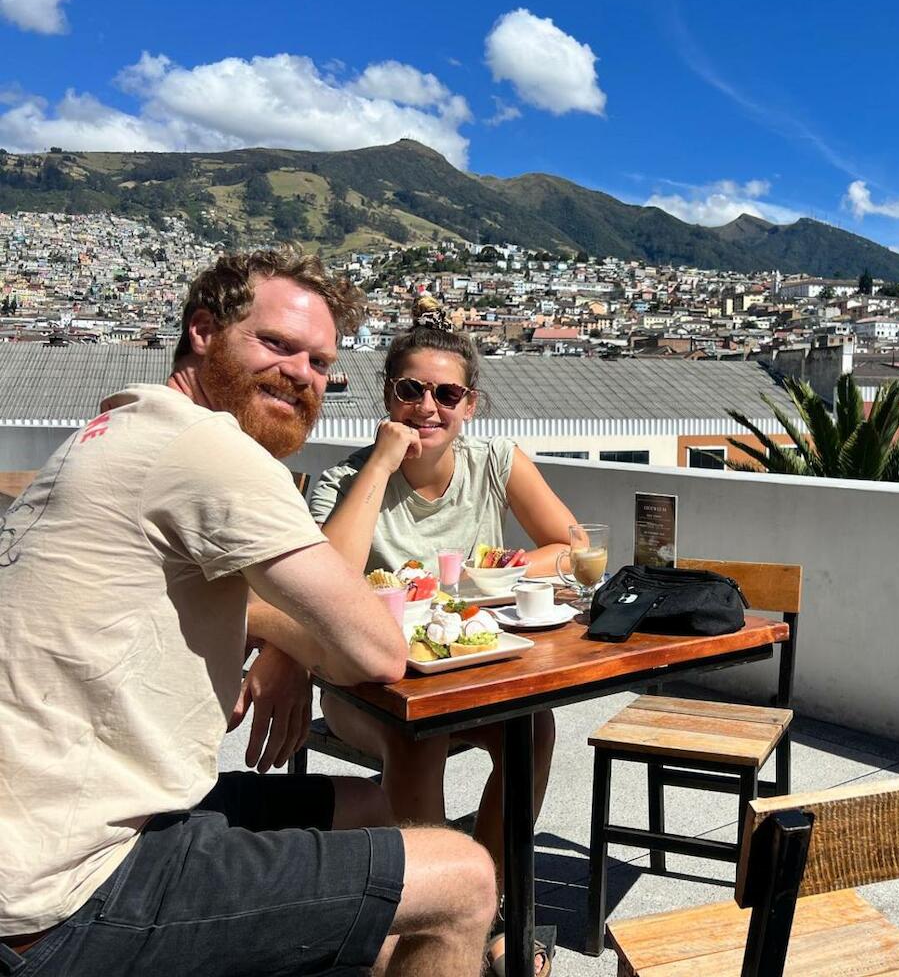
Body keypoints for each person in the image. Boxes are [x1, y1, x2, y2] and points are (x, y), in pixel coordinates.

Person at [0, 249, 497, 977]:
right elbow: (375, 652)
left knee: (369, 804)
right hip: (59, 888)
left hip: (66, 821)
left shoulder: (113, 430)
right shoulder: (210, 447)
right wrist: (278, 632)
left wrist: (268, 630)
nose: (302, 373)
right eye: (276, 344)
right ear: (202, 331)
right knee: (462, 876)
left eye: (321, 362)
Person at [308, 296, 576, 975]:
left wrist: (487, 573)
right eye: (411, 390)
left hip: (467, 672)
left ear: (470, 404)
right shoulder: (345, 480)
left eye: (447, 393)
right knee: (416, 740)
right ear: (388, 395)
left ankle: (489, 903)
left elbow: (569, 547)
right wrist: (380, 463)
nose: (429, 407)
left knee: (532, 728)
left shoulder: (495, 463)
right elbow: (327, 584)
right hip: (364, 689)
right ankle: (426, 918)